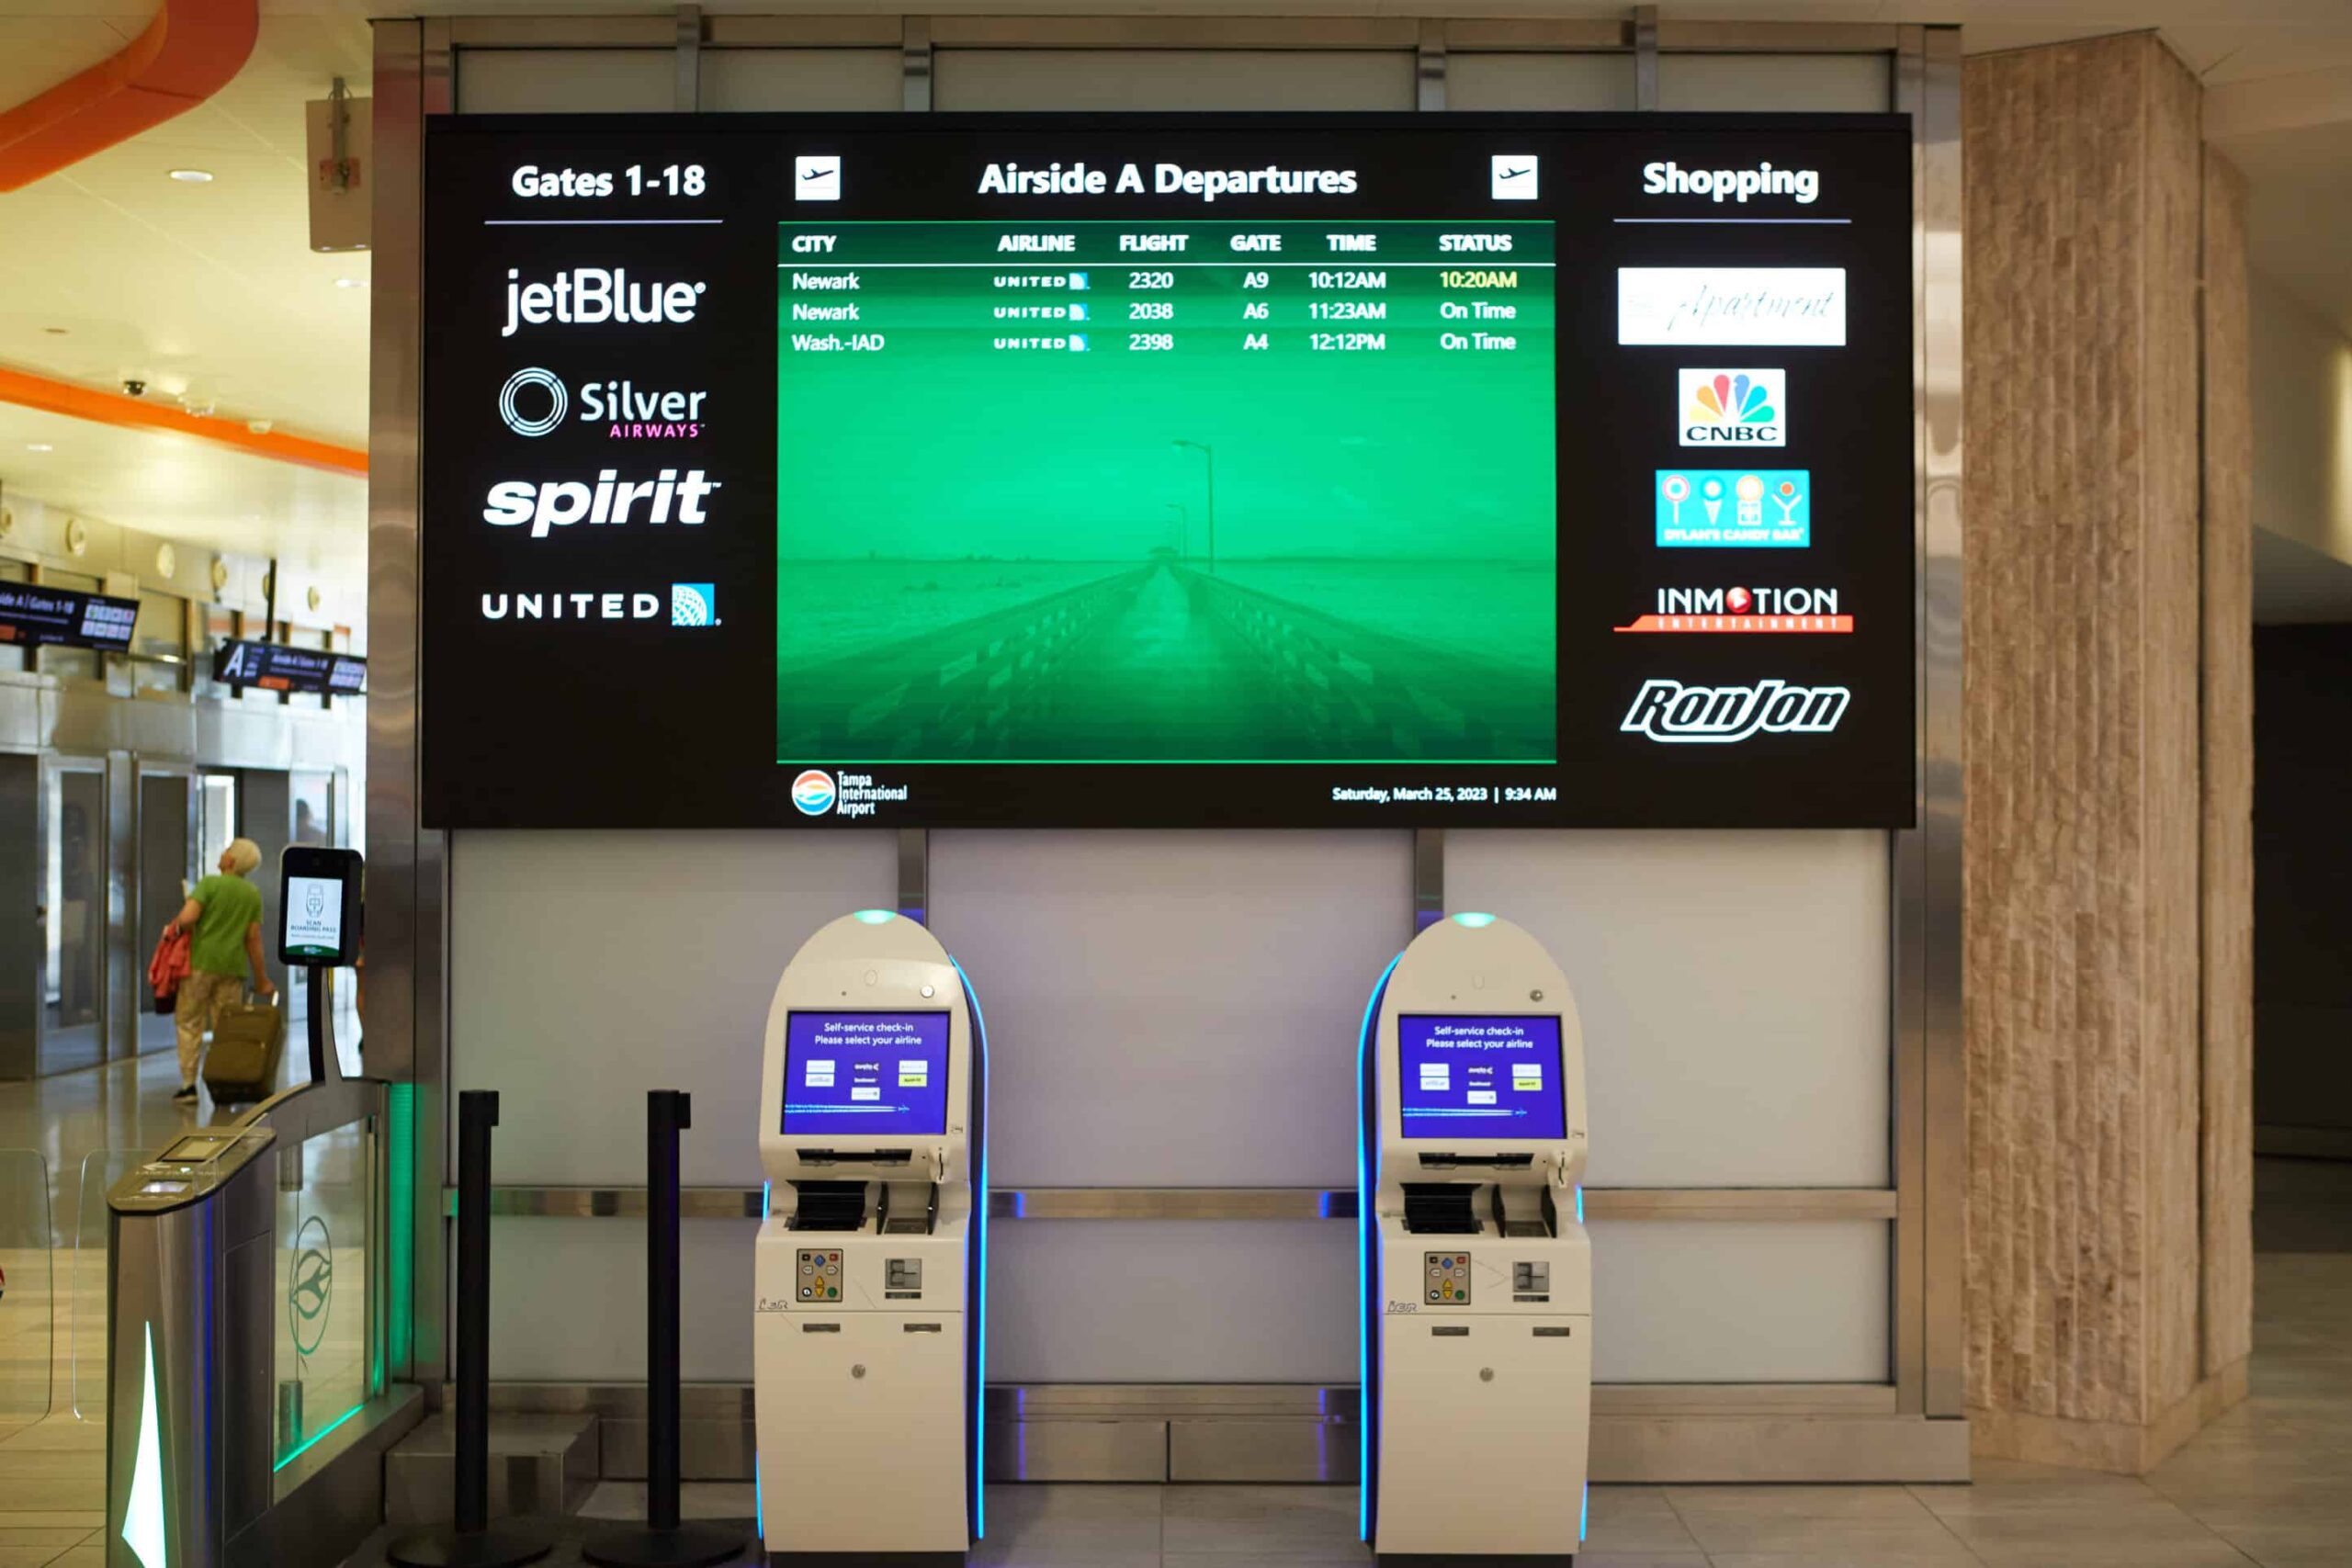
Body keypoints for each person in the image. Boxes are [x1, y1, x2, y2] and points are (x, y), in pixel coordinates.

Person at [164, 839, 276, 1102]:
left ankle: (189, 1085)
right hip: (233, 969)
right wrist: (261, 978)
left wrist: (175, 928)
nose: (223, 853)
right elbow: (253, 939)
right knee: (225, 1028)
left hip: (200, 964)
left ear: (232, 861)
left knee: (189, 1022)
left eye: (227, 850)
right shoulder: (252, 894)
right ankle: (225, 1082)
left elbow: (188, 918)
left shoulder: (209, 884)